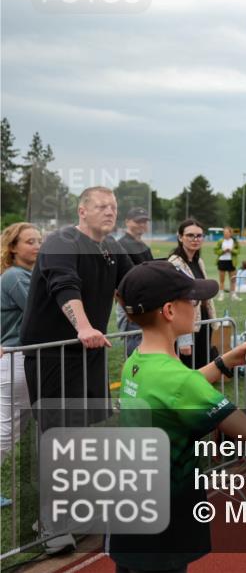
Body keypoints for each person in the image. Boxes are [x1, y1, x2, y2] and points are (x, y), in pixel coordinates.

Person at [109, 260, 246, 573]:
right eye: (193, 301)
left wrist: (225, 361)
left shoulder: (137, 360)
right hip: (165, 522)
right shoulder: (178, 380)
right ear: (170, 311)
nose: (197, 307)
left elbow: (179, 390)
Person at [19, 186, 133, 554]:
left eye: (113, 206)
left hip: (91, 353)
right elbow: (64, 287)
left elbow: (133, 286)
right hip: (54, 355)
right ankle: (49, 524)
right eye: (101, 206)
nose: (109, 211)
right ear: (82, 211)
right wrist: (83, 327)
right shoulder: (61, 242)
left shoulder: (111, 248)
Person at [0, 222, 41, 507]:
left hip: (18, 359)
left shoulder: (22, 274)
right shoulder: (17, 276)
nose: (37, 246)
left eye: (39, 240)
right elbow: (39, 312)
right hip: (15, 360)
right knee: (7, 429)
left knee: (15, 427)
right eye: (30, 241)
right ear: (13, 247)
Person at [167, 219, 217, 370]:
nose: (195, 239)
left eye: (199, 236)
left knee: (202, 366)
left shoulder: (198, 261)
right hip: (187, 326)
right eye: (190, 235)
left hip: (202, 322)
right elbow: (176, 301)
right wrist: (184, 339)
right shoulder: (175, 263)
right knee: (188, 368)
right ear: (180, 237)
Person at [116, 207, 154, 357]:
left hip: (147, 302)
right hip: (130, 304)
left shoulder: (143, 246)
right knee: (135, 344)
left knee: (146, 344)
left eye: (144, 221)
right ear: (127, 222)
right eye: (138, 221)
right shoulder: (121, 245)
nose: (142, 224)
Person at [213, 226, 240, 301]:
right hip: (222, 261)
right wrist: (223, 251)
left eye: (227, 233)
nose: (225, 234)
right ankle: (221, 295)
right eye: (224, 233)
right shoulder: (220, 241)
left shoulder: (234, 241)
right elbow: (215, 251)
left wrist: (232, 251)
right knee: (222, 280)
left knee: (233, 279)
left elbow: (238, 251)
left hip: (231, 262)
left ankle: (233, 295)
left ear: (231, 233)